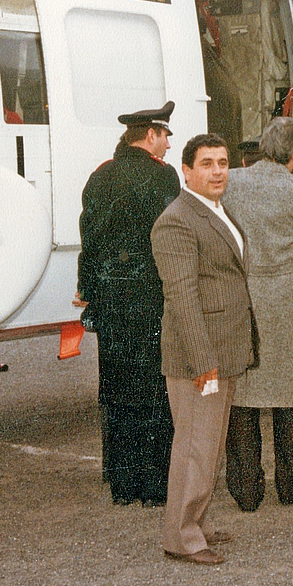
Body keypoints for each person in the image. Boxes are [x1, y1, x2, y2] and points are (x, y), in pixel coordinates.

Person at [152, 133, 256, 566]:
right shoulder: (176, 220)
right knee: (195, 445)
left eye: (223, 162)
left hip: (223, 350)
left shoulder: (215, 208)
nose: (218, 171)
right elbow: (182, 297)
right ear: (187, 171)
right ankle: (183, 537)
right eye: (208, 164)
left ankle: (197, 521)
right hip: (201, 357)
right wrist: (204, 363)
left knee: (208, 444)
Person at [76, 101, 181, 507]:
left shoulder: (101, 175)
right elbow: (170, 238)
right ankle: (155, 486)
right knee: (155, 390)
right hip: (151, 297)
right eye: (166, 135)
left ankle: (122, 484)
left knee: (118, 391)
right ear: (151, 134)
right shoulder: (164, 176)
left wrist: (88, 290)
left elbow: (90, 239)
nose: (170, 145)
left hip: (112, 300)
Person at [221, 117, 293, 510]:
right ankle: (292, 482)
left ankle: (245, 488)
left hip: (241, 294)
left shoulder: (231, 182)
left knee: (242, 396)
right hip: (285, 295)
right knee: (292, 392)